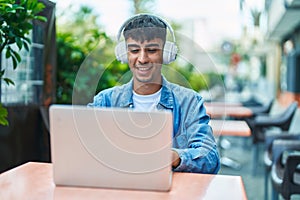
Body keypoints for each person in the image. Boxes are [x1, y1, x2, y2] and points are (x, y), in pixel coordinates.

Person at [88, 13, 220, 174]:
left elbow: (210, 157)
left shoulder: (189, 101)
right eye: (134, 50)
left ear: (166, 54)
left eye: (151, 50)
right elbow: (83, 148)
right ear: (124, 55)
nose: (142, 59)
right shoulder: (104, 101)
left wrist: (175, 157)